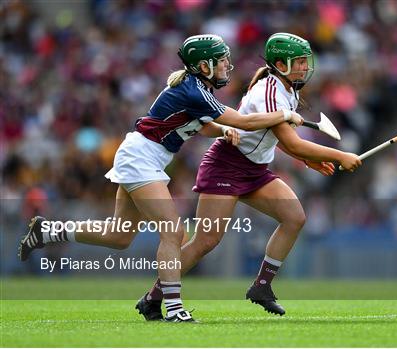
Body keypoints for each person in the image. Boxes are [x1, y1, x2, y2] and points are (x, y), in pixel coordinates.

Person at [17, 34, 304, 323]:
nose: (227, 65)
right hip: (141, 158)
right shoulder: (195, 91)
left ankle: (48, 231)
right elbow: (243, 121)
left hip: (142, 157)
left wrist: (221, 131)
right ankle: (174, 308)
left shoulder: (199, 89)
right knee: (174, 232)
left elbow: (203, 127)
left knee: (119, 236)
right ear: (204, 66)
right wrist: (284, 114)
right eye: (221, 61)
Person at [136, 32, 361, 318]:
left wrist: (308, 159)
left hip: (255, 170)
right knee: (206, 241)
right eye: (300, 62)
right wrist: (339, 155)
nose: (305, 67)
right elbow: (290, 140)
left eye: (306, 62)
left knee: (295, 217)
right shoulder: (270, 90)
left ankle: (261, 287)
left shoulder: (288, 89)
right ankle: (153, 298)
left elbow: (277, 139)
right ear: (280, 64)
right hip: (226, 165)